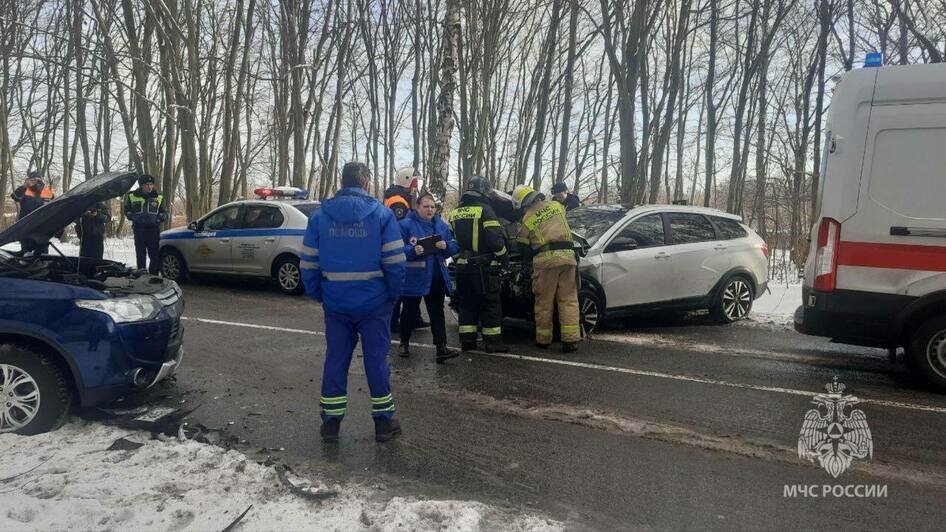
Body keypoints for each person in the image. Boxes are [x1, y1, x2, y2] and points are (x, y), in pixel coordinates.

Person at [300, 161, 406, 444]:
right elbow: (395, 262)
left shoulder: (320, 217)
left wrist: (319, 293)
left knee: (336, 360)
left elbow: (308, 263)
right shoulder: (382, 216)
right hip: (374, 304)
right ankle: (383, 423)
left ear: (342, 182)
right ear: (366, 184)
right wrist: (393, 295)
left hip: (336, 304)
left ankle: (331, 425)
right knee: (376, 362)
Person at [512, 185, 581, 353]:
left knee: (544, 302)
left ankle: (543, 340)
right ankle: (570, 340)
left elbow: (522, 246)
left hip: (546, 261)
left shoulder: (528, 217)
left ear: (523, 203)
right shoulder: (556, 206)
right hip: (568, 257)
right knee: (569, 299)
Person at [448, 175, 509, 353]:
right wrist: (503, 258)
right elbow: (495, 240)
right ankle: (493, 342)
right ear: (483, 190)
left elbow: (451, 240)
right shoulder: (485, 210)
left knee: (467, 304)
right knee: (490, 304)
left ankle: (467, 341)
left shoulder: (455, 212)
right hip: (482, 267)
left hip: (461, 266)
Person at [398, 192, 460, 363]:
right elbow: (395, 248)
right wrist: (411, 251)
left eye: (432, 207)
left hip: (436, 278)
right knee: (409, 312)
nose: (430, 209)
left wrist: (446, 245)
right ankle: (404, 343)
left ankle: (441, 348)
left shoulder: (441, 225)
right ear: (417, 207)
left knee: (437, 313)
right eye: (426, 206)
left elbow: (455, 246)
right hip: (414, 277)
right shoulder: (405, 225)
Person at [384, 166, 426, 332]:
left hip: (403, 246)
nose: (416, 185)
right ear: (407, 181)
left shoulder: (402, 198)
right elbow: (399, 227)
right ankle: (393, 322)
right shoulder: (398, 201)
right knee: (400, 288)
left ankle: (414, 318)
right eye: (414, 182)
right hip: (398, 247)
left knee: (410, 285)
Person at [123, 174, 167, 275]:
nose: (149, 186)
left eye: (151, 184)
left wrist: (160, 218)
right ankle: (141, 274)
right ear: (141, 185)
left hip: (153, 229)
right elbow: (126, 210)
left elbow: (164, 211)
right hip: (139, 229)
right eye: (146, 184)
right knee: (140, 254)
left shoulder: (159, 196)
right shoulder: (131, 196)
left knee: (154, 254)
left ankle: (154, 274)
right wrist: (133, 217)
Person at [11, 171, 55, 254]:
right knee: (26, 252)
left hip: (42, 227)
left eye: (37, 180)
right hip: (26, 226)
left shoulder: (46, 191)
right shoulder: (25, 190)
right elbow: (15, 196)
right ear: (28, 180)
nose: (35, 182)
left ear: (41, 180)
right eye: (32, 180)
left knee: (42, 253)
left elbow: (54, 203)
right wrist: (24, 186)